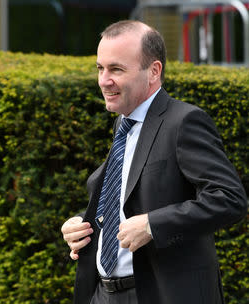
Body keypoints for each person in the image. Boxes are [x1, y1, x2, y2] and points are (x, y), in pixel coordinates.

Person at [61, 20, 247, 304]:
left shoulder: (184, 122)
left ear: (154, 71)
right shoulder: (123, 126)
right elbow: (130, 200)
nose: (103, 80)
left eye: (116, 69)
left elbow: (230, 199)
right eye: (100, 68)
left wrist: (152, 225)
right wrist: (84, 226)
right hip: (103, 295)